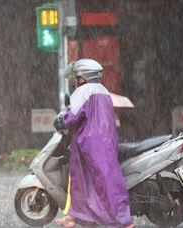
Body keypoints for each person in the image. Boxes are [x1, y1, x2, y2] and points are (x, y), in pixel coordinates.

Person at [53, 59, 133, 228]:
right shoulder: (102, 90)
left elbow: (72, 115)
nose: (75, 80)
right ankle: (76, 218)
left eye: (77, 77)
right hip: (101, 140)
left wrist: (60, 121)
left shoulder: (84, 91)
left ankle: (123, 221)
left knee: (102, 181)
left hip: (92, 142)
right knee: (83, 180)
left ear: (84, 77)